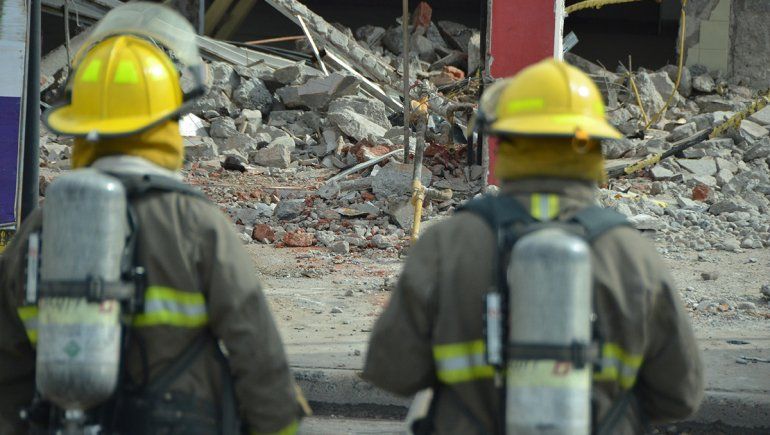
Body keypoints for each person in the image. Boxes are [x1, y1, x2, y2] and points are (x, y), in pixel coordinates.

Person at [0, 4, 304, 434]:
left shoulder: (40, 230)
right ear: (165, 124)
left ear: (81, 127)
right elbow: (256, 353)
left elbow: (7, 369)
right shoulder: (196, 225)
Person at [362, 58, 704, 434]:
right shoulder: (631, 254)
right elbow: (680, 395)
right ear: (592, 148)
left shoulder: (449, 242)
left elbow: (392, 371)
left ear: (504, 143)